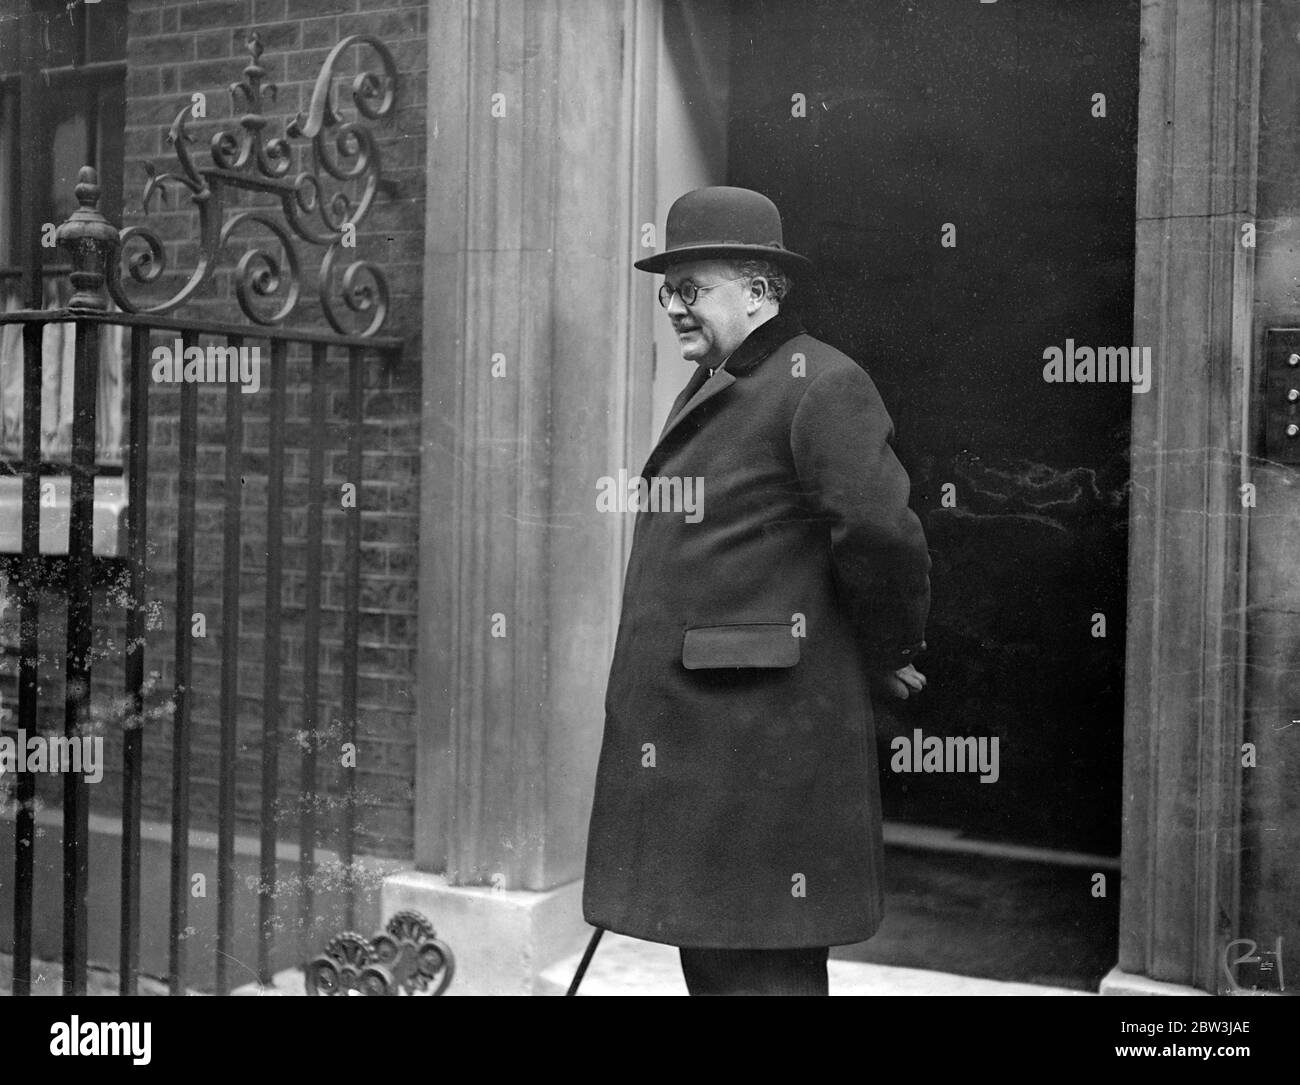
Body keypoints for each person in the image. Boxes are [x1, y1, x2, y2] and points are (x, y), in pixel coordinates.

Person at [582, 186, 932, 995]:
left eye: (689, 288)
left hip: (760, 748)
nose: (673, 307)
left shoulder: (820, 382)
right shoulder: (725, 380)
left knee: (763, 971)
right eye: (668, 290)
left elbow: (881, 536)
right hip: (710, 745)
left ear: (759, 288)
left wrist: (886, 653)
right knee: (717, 958)